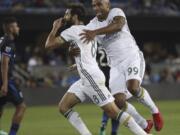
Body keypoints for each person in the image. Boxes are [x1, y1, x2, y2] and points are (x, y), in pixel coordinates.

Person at [45, 5, 151, 135]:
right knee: (64, 107)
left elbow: (49, 45)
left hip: (91, 78)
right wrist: (75, 60)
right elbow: (86, 53)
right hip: (85, 78)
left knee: (113, 112)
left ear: (75, 16)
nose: (64, 16)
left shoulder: (72, 30)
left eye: (67, 14)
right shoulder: (89, 30)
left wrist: (55, 27)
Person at [80, 0, 163, 134]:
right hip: (115, 66)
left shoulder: (116, 12)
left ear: (107, 4)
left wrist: (95, 32)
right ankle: (144, 124)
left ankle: (155, 112)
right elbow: (87, 45)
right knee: (118, 102)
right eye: (94, 5)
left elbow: (118, 25)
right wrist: (80, 60)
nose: (96, 8)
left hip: (132, 57)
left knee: (133, 87)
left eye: (99, 4)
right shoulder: (92, 24)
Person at [0, 17, 26, 135]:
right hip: (5, 80)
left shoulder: (1, 40)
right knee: (21, 106)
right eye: (16, 26)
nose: (18, 28)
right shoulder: (9, 43)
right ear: (11, 29)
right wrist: (5, 84)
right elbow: (4, 63)